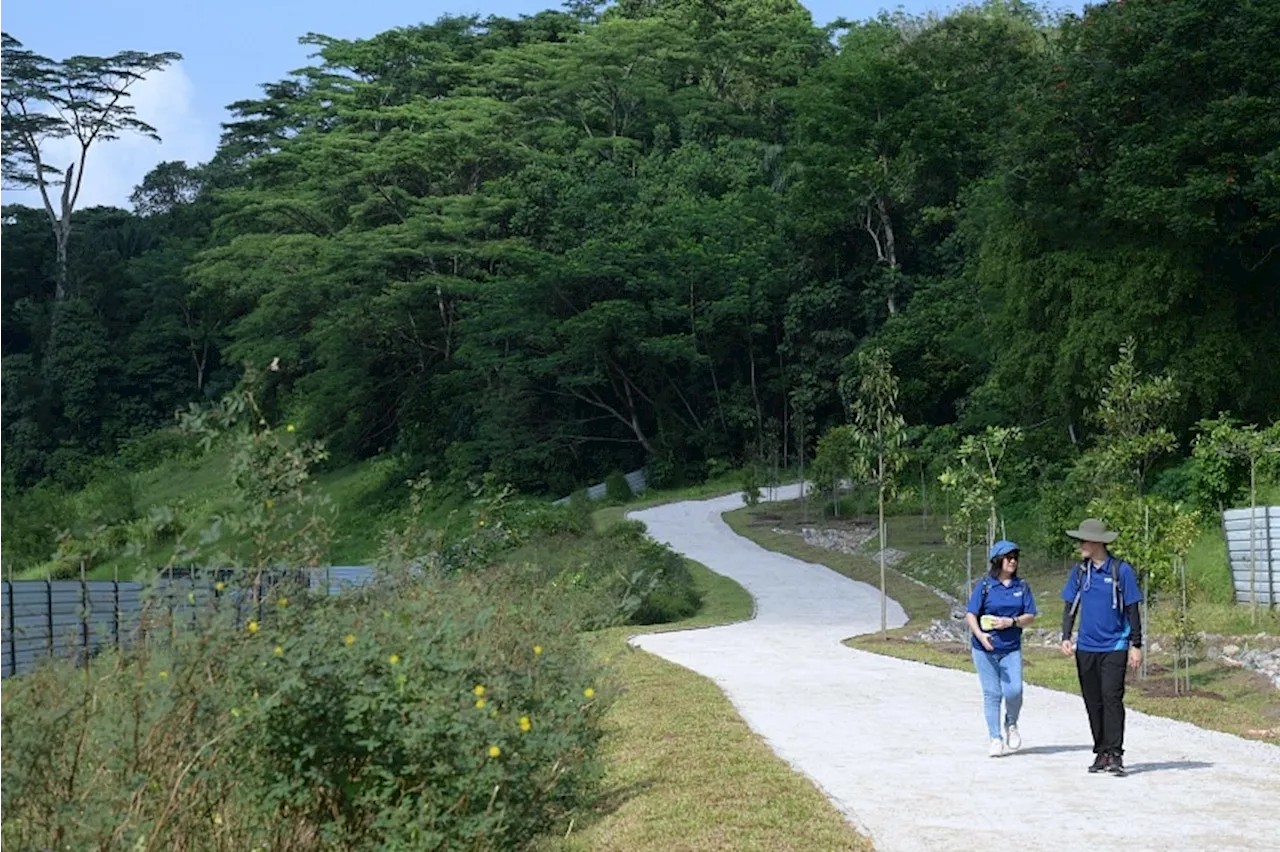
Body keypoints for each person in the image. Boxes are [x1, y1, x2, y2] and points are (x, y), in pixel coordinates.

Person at [1059, 518, 1143, 777]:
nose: (1080, 545)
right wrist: (1065, 635)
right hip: (1086, 646)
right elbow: (1070, 605)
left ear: (1097, 543)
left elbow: (1132, 609)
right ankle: (1101, 752)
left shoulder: (1121, 571)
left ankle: (1116, 753)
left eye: (1083, 540)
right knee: (1092, 700)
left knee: (1111, 698)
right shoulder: (1080, 572)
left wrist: (1136, 644)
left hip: (1115, 645)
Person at [965, 539, 1037, 757]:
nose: (1013, 561)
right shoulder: (985, 585)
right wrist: (980, 634)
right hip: (984, 648)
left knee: (1014, 690)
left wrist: (1011, 622)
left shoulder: (1022, 586)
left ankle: (1011, 724)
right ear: (998, 560)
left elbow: (1030, 615)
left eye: (1015, 557)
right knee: (992, 693)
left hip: (1011, 648)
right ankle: (995, 737)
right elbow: (971, 613)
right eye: (1008, 557)